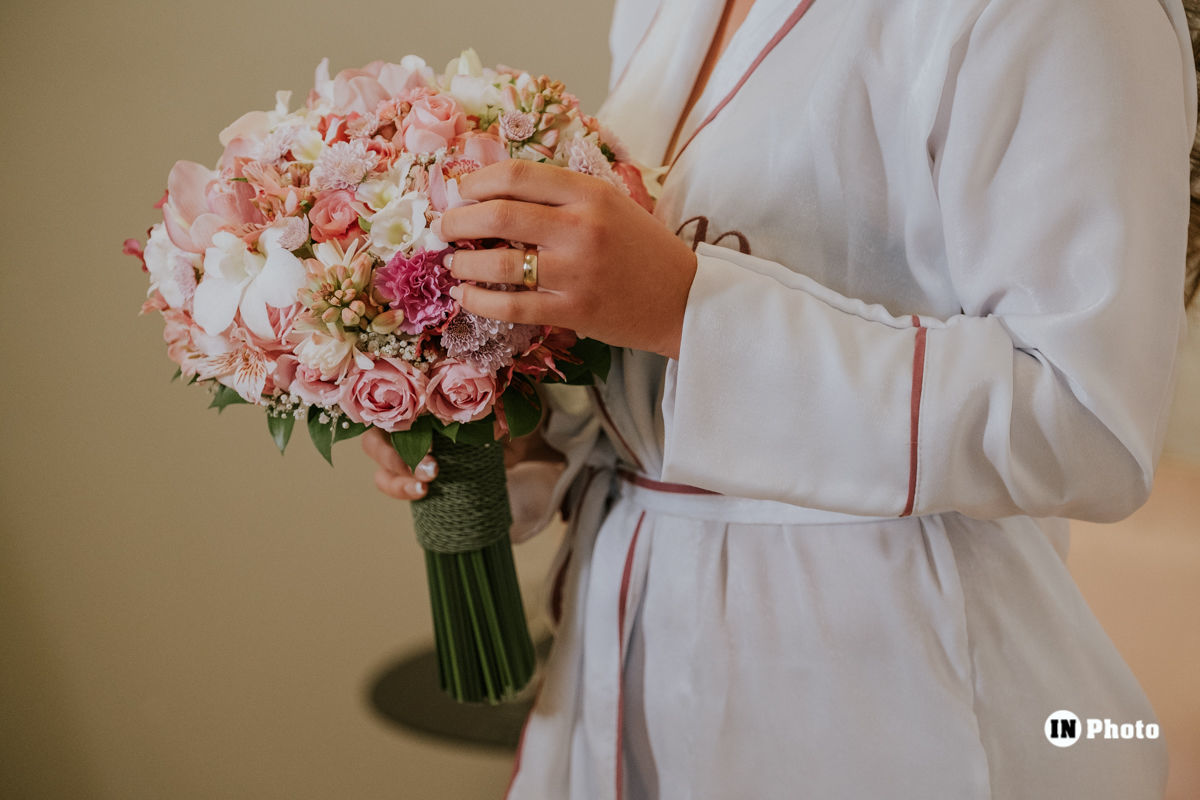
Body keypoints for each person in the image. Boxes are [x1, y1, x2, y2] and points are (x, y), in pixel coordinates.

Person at [361, 0, 1198, 797]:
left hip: (897, 690)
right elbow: (644, 353)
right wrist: (518, 422)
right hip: (626, 650)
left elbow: (1084, 424)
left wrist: (693, 309)